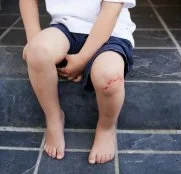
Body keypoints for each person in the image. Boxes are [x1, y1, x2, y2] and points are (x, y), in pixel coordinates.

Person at [19, 0, 136, 164]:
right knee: (37, 51)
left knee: (110, 77)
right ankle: (53, 119)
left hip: (111, 32)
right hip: (66, 27)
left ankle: (106, 127)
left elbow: (111, 11)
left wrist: (82, 59)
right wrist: (33, 38)